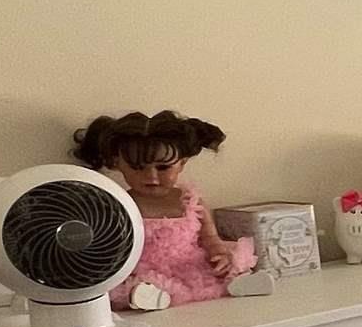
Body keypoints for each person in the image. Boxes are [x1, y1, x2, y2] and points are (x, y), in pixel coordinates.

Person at [71, 109, 254, 306]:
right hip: (144, 273)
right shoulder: (119, 206)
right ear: (117, 164)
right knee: (141, 289)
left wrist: (219, 253)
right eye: (138, 168)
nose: (151, 177)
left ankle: (242, 284)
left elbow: (210, 238)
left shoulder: (191, 201)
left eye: (163, 167)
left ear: (181, 163)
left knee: (230, 268)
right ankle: (147, 299)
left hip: (190, 267)